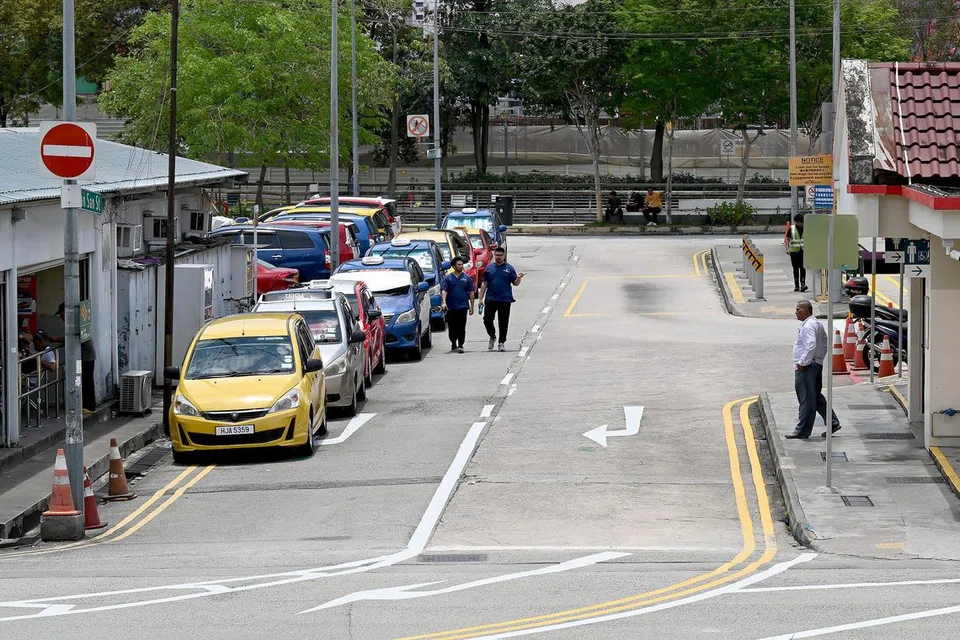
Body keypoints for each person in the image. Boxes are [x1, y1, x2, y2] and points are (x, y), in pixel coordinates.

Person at [787, 300, 841, 439]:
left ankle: (802, 430)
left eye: (798, 309)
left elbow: (811, 344)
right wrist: (819, 359)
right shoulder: (817, 324)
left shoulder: (808, 326)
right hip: (815, 364)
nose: (795, 312)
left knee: (806, 399)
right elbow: (824, 343)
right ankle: (832, 422)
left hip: (807, 367)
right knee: (816, 397)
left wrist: (803, 362)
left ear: (806, 310)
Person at [477, 247, 525, 352]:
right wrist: (480, 298)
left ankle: (501, 342)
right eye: (496, 255)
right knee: (487, 319)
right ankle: (492, 335)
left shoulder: (509, 268)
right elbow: (484, 283)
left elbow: (515, 283)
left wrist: (519, 278)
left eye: (500, 255)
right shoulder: (489, 268)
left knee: (503, 322)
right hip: (491, 298)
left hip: (505, 299)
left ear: (504, 256)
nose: (498, 257)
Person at [55, 302, 97, 411]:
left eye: (61, 314)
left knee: (85, 380)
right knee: (83, 380)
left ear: (66, 312)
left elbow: (71, 338)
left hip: (85, 356)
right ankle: (86, 404)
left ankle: (88, 405)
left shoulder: (75, 323)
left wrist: (54, 339)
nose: (61, 318)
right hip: (85, 356)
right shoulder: (76, 322)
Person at [440, 255, 475, 353]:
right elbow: (444, 290)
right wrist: (444, 302)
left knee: (461, 326)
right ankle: (453, 343)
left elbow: (471, 292)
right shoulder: (448, 278)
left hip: (463, 306)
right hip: (451, 307)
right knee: (452, 327)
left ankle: (460, 344)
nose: (461, 266)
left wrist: (472, 306)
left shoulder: (467, 278)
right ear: (454, 266)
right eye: (459, 265)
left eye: (462, 264)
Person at [787, 214, 807, 292]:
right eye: (798, 222)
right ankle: (796, 285)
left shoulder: (806, 228)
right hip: (794, 251)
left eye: (801, 222)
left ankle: (803, 284)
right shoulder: (791, 229)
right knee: (795, 268)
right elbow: (788, 239)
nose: (800, 224)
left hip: (803, 251)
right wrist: (787, 249)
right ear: (796, 222)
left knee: (803, 268)